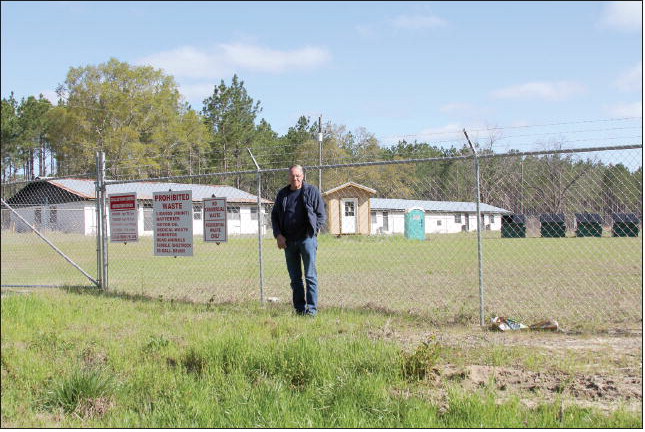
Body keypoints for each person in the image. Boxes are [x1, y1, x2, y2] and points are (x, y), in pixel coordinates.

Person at [271, 165, 326, 316]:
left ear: (302, 176)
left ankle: (312, 311)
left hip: (306, 240)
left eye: (297, 175)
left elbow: (321, 214)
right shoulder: (283, 194)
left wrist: (313, 233)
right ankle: (300, 310)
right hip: (288, 242)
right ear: (288, 177)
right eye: (292, 176)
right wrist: (278, 235)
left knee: (310, 277)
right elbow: (274, 216)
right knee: (295, 279)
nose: (295, 178)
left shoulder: (311, 191)